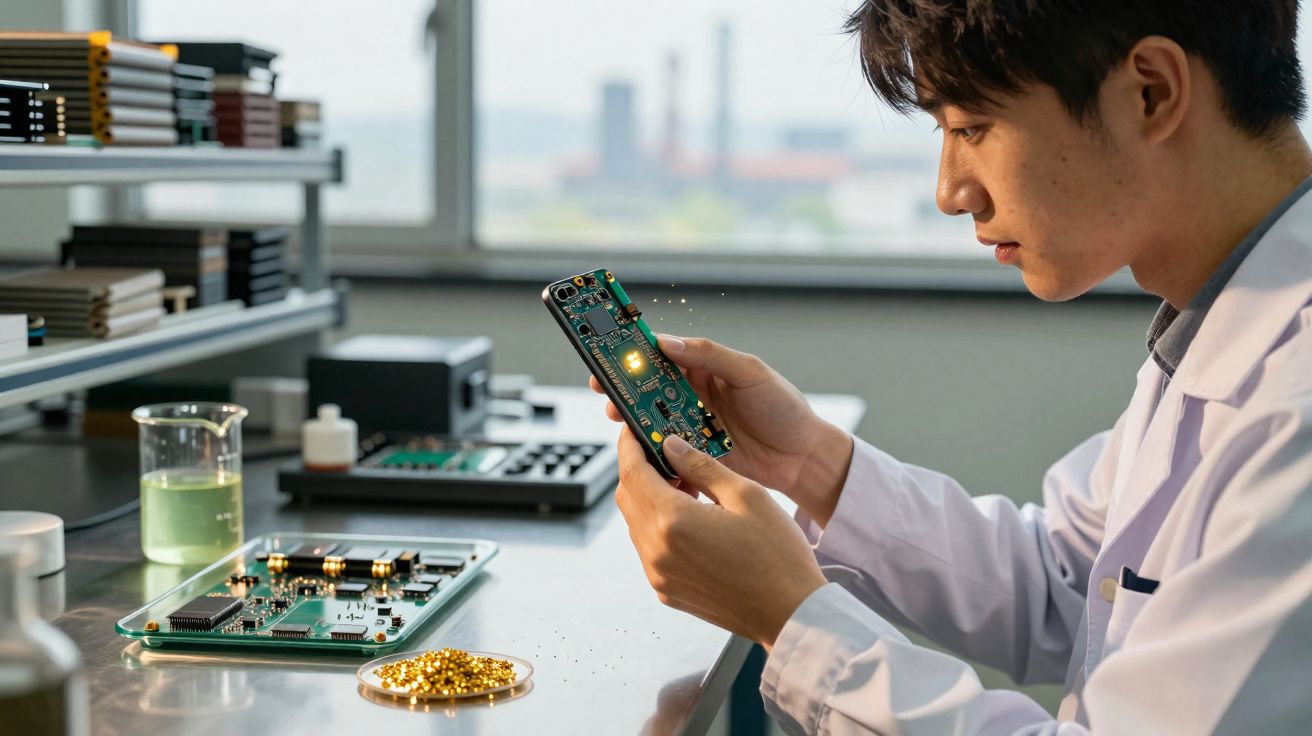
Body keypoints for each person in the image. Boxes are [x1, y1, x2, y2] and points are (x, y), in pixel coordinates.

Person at [589, 1, 1312, 733]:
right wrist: (811, 465)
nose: (949, 192)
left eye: (970, 128)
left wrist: (792, 618)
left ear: (1151, 91)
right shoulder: (1224, 327)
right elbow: (1071, 585)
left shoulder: (1297, 404)